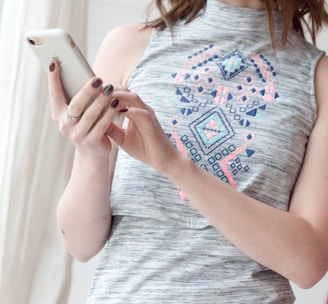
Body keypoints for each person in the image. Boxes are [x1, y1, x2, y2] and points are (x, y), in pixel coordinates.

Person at [47, 0, 328, 303]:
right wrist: (91, 154)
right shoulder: (128, 45)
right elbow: (80, 244)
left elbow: (307, 263)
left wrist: (175, 165)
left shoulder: (318, 78)